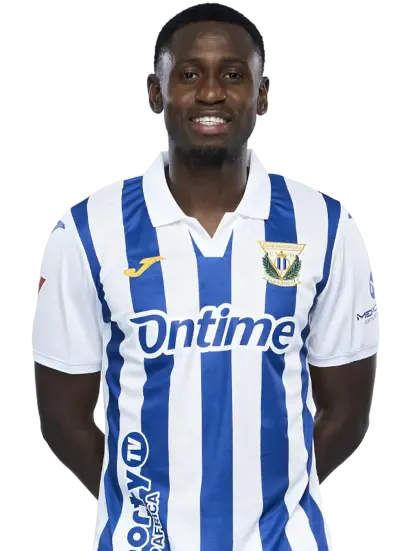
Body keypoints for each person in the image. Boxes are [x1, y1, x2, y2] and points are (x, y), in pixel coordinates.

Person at [32, 2, 379, 550]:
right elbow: (62, 419)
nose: (212, 93)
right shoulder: (86, 231)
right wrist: (146, 510)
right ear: (155, 93)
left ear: (263, 96)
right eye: (189, 75)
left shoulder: (326, 227)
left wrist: (269, 504)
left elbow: (347, 414)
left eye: (233, 75)